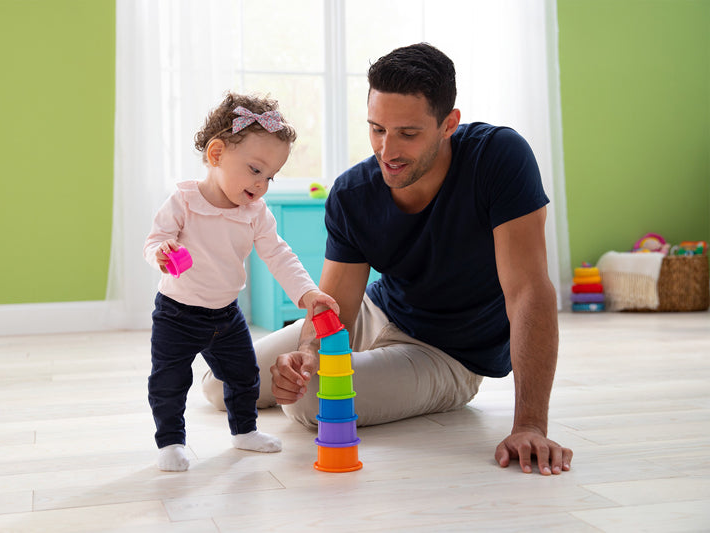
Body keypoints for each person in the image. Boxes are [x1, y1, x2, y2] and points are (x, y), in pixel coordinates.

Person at [203, 43, 573, 476]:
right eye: (377, 129)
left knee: (310, 400)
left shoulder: (499, 158)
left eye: (408, 133)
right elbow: (335, 307)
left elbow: (529, 290)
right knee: (220, 381)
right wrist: (305, 352)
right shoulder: (352, 194)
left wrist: (530, 424)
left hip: (447, 352)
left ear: (448, 124)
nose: (387, 149)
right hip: (378, 310)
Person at [144, 92, 339, 472]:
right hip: (177, 315)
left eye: (271, 176)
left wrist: (307, 291)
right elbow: (153, 242)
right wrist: (162, 252)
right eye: (255, 170)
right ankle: (170, 441)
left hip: (225, 315)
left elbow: (278, 254)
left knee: (245, 376)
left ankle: (244, 431)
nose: (263, 183)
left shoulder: (255, 212)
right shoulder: (183, 201)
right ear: (216, 155)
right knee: (168, 382)